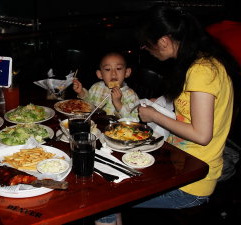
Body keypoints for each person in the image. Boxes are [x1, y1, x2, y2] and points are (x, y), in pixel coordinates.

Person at [96, 6, 240, 225]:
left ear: (163, 41)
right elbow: (193, 107)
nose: (146, 49)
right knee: (109, 173)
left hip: (191, 183)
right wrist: (163, 102)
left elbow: (202, 135)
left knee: (103, 200)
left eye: (146, 44)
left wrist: (154, 115)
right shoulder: (200, 61)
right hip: (175, 164)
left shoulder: (202, 70)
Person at [72, 52, 139, 119]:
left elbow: (134, 121)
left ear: (127, 72)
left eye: (118, 68)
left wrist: (118, 104)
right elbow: (88, 105)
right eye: (107, 69)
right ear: (100, 74)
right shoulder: (96, 87)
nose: (113, 73)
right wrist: (81, 92)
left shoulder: (131, 96)